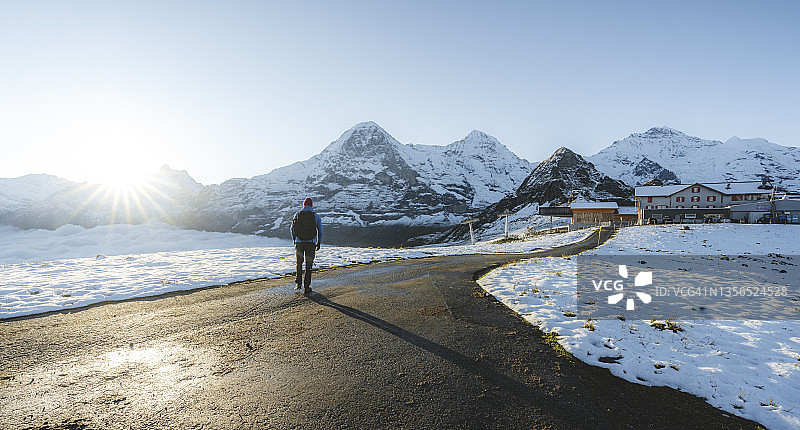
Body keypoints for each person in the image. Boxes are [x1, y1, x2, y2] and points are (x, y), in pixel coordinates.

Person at [290, 197, 323, 296]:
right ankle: (307, 287)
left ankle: (298, 283)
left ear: (304, 205)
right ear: (312, 205)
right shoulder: (316, 216)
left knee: (299, 263)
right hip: (311, 243)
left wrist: (295, 240)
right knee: (309, 265)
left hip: (299, 243)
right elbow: (320, 231)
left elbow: (292, 229)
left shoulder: (297, 214)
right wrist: (319, 242)